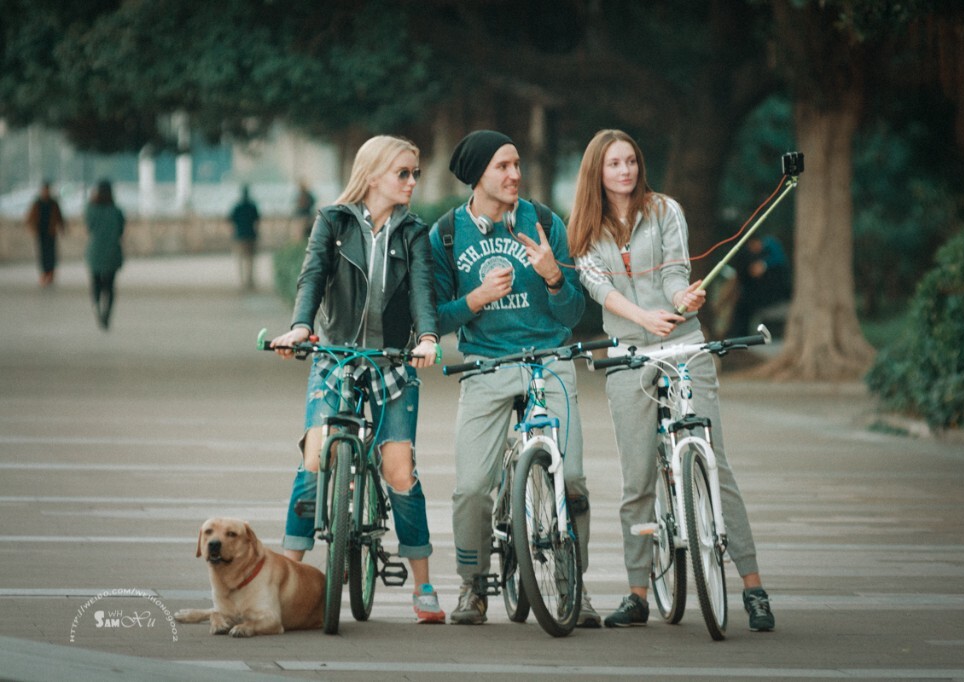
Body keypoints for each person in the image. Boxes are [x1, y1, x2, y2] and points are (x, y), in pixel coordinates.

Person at [567, 129, 775, 631]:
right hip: (627, 354)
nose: (625, 170)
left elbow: (676, 271)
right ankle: (638, 592)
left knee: (715, 461)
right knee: (636, 478)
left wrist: (684, 299)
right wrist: (643, 319)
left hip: (684, 345)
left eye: (632, 161)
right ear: (597, 171)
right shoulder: (586, 229)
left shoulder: (664, 210)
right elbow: (598, 288)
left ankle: (753, 587)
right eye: (614, 163)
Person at [269, 135, 445, 624]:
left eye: (415, 173)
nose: (412, 181)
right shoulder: (333, 221)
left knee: (398, 470)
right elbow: (312, 278)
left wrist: (427, 337)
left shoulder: (414, 231)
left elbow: (422, 293)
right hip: (336, 354)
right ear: (372, 176)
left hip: (393, 359)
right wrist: (301, 328)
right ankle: (289, 577)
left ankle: (423, 584)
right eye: (402, 173)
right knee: (313, 457)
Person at [429, 130, 601, 627]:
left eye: (517, 164)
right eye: (503, 166)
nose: (514, 175)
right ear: (478, 174)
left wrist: (552, 275)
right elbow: (436, 319)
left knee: (570, 480)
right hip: (484, 365)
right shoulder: (445, 234)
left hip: (549, 360)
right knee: (471, 489)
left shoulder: (545, 221)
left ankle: (575, 585)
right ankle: (473, 586)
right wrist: (476, 299)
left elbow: (572, 314)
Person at [728, 233, 791, 337]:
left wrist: (764, 265)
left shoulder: (771, 246)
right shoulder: (749, 254)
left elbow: (780, 260)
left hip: (774, 292)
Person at [84, 180, 126, 330]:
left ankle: (96, 308)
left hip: (95, 252)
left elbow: (88, 226)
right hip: (112, 252)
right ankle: (107, 312)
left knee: (95, 284)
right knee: (110, 285)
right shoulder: (116, 211)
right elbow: (121, 230)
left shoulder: (91, 209)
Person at [25, 181, 65, 287]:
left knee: (51, 253)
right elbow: (30, 217)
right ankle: (44, 273)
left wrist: (62, 228)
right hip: (41, 232)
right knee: (43, 253)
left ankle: (50, 273)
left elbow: (59, 216)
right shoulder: (37, 203)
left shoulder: (53, 203)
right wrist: (33, 228)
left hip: (51, 232)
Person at [228, 186, 260, 290]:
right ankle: (250, 281)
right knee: (250, 260)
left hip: (239, 236)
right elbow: (257, 220)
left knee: (240, 260)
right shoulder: (252, 206)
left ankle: (241, 282)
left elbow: (230, 220)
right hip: (251, 235)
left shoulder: (237, 207)